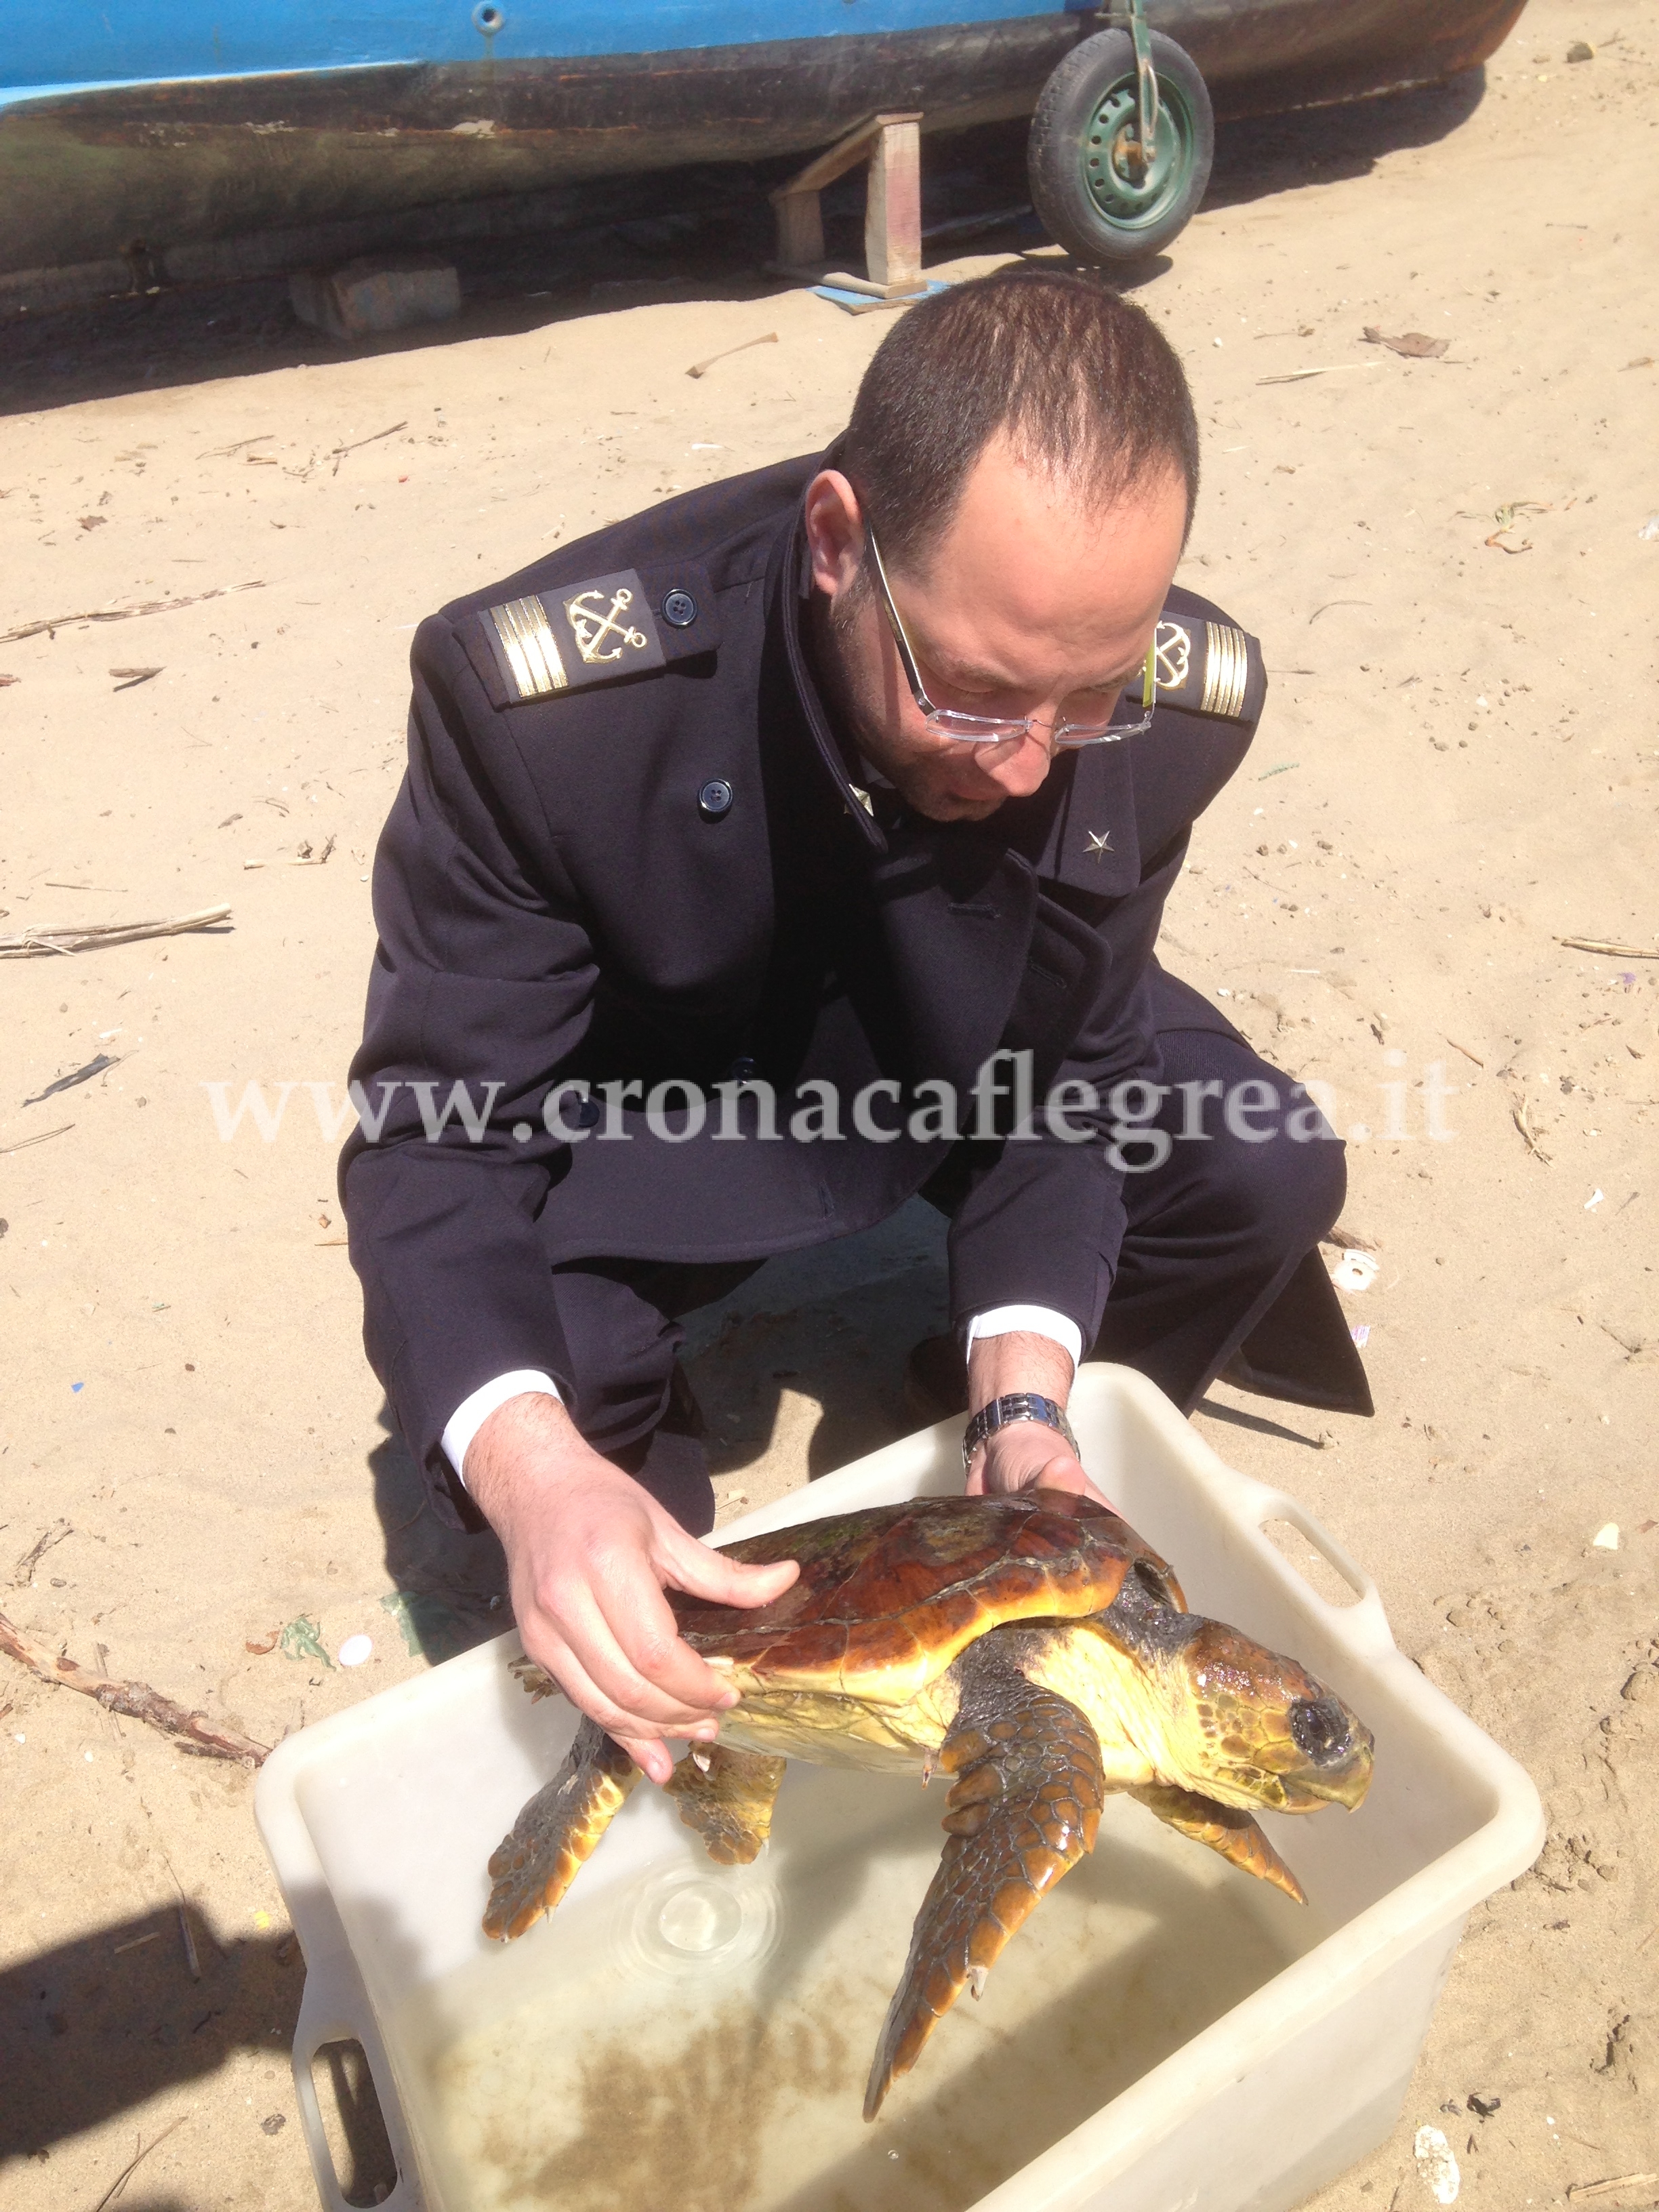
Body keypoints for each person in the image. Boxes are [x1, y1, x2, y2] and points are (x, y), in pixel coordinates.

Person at [342, 269, 1368, 1786]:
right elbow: (439, 1136)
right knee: (585, 1504)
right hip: (682, 1081)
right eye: (973, 695)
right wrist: (535, 1472)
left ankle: (971, 1424)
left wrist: (1026, 1404)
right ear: (837, 546)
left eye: (1086, 701)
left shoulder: (1175, 702)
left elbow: (1076, 1082)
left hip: (979, 1024)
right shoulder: (548, 712)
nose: (1028, 769)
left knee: (1261, 1167)